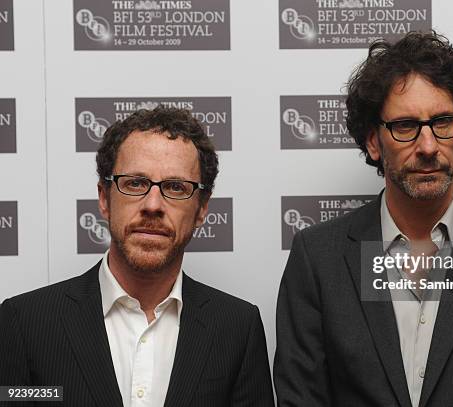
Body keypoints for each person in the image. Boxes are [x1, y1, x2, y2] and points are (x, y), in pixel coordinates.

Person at [274, 31, 453, 407]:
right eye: (405, 127)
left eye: (443, 122)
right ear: (372, 141)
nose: (428, 146)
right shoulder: (318, 257)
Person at [0, 107, 274, 407]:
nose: (153, 205)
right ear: (104, 199)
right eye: (135, 183)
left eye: (175, 187)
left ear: (202, 209)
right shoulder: (25, 323)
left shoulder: (236, 327)